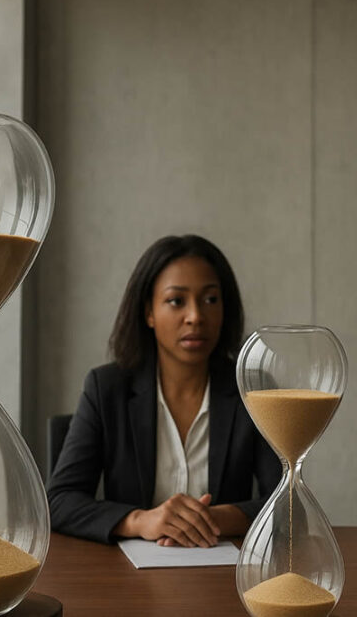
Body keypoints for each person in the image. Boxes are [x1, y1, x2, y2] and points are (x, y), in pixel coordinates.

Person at [48, 234, 280, 546]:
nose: (196, 316)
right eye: (176, 301)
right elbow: (59, 501)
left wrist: (208, 520)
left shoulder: (252, 388)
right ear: (149, 313)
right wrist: (140, 520)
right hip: (129, 580)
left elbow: (288, 502)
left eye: (211, 299)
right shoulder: (107, 388)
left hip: (226, 576)